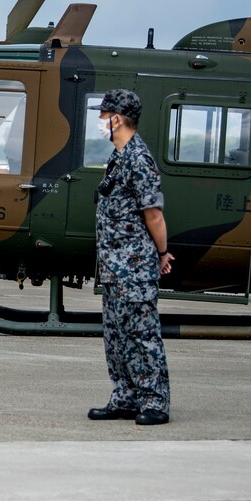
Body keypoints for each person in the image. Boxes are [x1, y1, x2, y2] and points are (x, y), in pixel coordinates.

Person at [89, 88, 172, 425]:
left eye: (104, 115)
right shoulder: (119, 156)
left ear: (117, 119)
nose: (100, 121)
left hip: (134, 269)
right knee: (116, 337)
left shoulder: (138, 158)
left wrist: (162, 253)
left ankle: (155, 403)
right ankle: (125, 397)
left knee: (142, 336)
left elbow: (153, 214)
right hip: (114, 268)